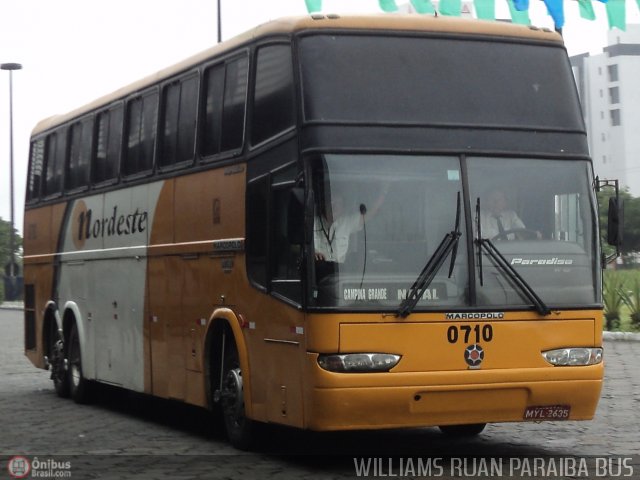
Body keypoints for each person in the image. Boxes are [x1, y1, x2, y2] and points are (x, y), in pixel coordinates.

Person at [314, 184, 389, 267]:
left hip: (339, 273)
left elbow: (372, 212)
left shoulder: (347, 222)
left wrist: (384, 191)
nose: (334, 206)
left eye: (338, 203)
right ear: (324, 204)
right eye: (331, 202)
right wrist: (313, 253)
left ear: (343, 208)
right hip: (316, 272)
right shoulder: (312, 223)